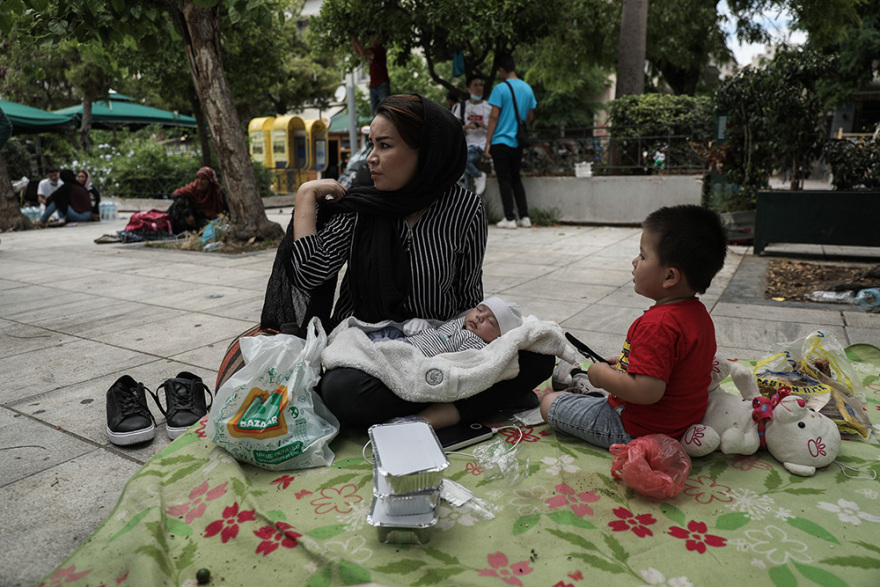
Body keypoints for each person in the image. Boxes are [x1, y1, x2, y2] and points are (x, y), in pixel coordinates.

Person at [259, 94, 554, 430]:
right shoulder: (362, 206)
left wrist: (475, 351)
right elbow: (310, 273)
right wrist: (306, 196)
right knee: (340, 392)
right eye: (372, 144)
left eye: (384, 146)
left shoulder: (465, 209)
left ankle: (439, 408)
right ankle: (474, 398)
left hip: (443, 346)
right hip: (373, 354)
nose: (371, 158)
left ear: (426, 153)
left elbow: (469, 294)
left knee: (540, 357)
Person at [540, 205, 728, 449]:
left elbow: (647, 392)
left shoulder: (657, 324)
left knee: (549, 403)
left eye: (643, 256)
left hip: (636, 429)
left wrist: (601, 376)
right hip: (682, 420)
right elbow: (677, 365)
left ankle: (586, 387)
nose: (634, 261)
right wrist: (626, 362)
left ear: (670, 277)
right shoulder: (699, 314)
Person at [368, 296, 523, 356]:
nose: (480, 317)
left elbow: (457, 360)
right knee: (388, 330)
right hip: (412, 339)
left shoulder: (476, 343)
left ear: (498, 336)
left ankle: (370, 349)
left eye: (490, 322)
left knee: (387, 347)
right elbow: (439, 331)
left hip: (417, 353)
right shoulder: (461, 322)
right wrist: (425, 327)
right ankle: (366, 342)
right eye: (479, 310)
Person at [484, 53, 536, 229]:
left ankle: (509, 218)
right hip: (518, 141)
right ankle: (525, 217)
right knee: (516, 178)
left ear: (501, 70)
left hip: (500, 140)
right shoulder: (527, 89)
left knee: (504, 179)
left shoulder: (500, 89)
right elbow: (530, 117)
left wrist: (488, 142)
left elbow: (493, 117)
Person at [454, 75, 491, 195]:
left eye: (481, 85)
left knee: (463, 160)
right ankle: (467, 202)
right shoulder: (462, 107)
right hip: (465, 144)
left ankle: (478, 176)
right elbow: (454, 128)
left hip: (480, 145)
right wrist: (467, 126)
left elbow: (495, 128)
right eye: (475, 85)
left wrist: (484, 126)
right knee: (463, 171)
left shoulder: (489, 107)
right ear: (468, 89)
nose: (479, 88)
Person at [167, 167, 226, 233]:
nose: (199, 181)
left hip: (201, 220)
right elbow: (176, 194)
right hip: (187, 219)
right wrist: (188, 215)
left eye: (203, 179)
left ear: (210, 181)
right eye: (197, 178)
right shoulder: (191, 190)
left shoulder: (216, 193)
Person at [351, 34, 390, 117]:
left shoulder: (380, 50)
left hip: (381, 83)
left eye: (373, 39)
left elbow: (362, 53)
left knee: (385, 109)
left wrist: (355, 40)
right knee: (374, 111)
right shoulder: (373, 50)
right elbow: (358, 53)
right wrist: (353, 42)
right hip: (373, 84)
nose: (371, 41)